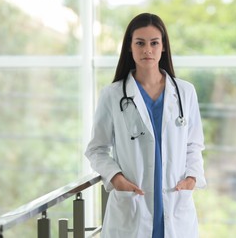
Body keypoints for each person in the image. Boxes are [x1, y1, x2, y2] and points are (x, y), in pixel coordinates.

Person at [85, 13, 206, 238]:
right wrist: (116, 178)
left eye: (154, 43)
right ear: (130, 48)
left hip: (175, 203)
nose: (147, 50)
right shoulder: (112, 95)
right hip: (132, 207)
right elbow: (96, 149)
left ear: (163, 48)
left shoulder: (185, 92)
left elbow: (194, 145)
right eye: (139, 43)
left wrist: (192, 178)